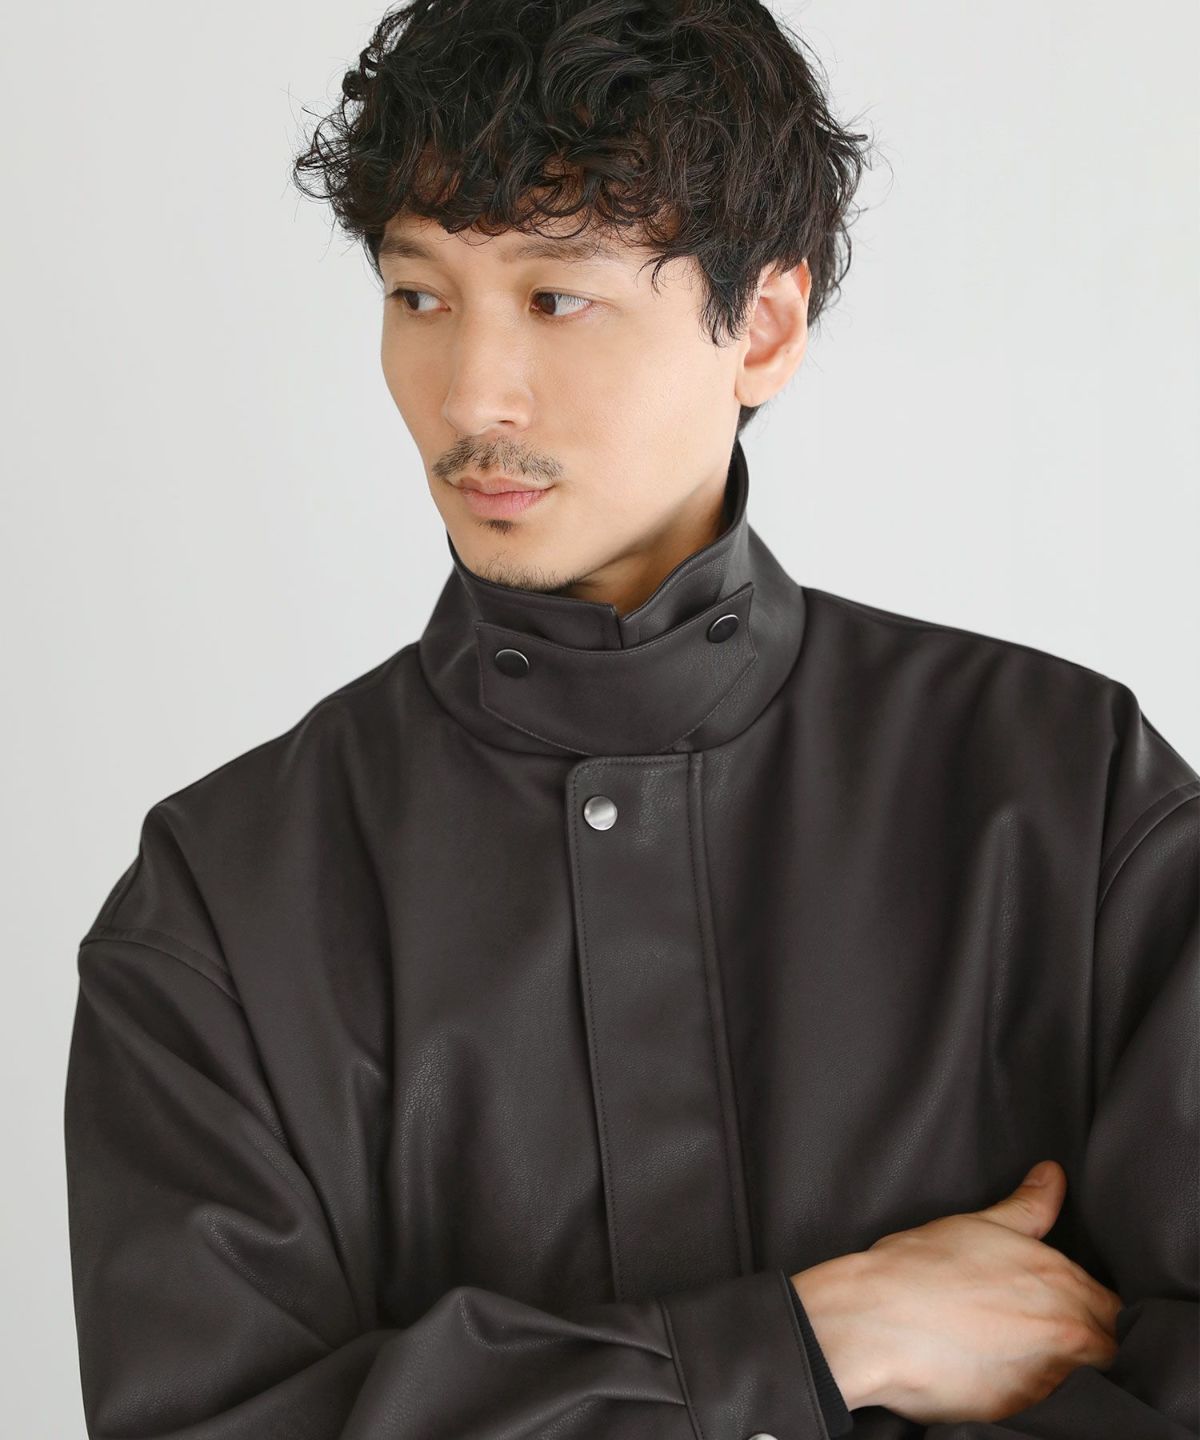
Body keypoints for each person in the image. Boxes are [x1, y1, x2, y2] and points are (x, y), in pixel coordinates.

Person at [64, 1, 1198, 1437]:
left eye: (556, 298)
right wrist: (814, 1343)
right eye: (419, 295)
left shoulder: (1070, 798)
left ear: (763, 326)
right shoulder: (224, 904)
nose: (468, 395)